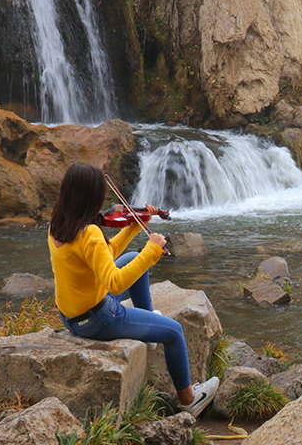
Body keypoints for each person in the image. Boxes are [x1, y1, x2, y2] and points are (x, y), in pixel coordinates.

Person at [48, 163, 219, 416]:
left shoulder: (60, 224)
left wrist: (135, 225)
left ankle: (147, 329)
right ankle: (189, 400)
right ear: (91, 196)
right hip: (97, 318)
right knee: (174, 331)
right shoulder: (90, 233)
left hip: (71, 315)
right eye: (101, 192)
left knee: (130, 257)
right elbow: (115, 282)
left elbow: (104, 256)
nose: (105, 198)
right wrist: (151, 251)